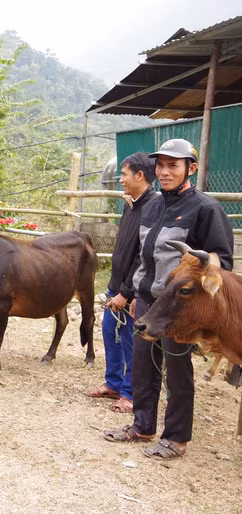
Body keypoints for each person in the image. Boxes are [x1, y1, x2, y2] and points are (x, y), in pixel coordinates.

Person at [103, 139, 233, 462]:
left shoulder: (206, 209)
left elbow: (221, 262)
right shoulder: (154, 205)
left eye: (173, 165)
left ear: (191, 168)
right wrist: (134, 293)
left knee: (177, 371)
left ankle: (175, 438)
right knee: (143, 363)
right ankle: (143, 425)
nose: (164, 171)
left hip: (180, 308)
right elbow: (144, 256)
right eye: (160, 165)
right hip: (148, 300)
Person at [87, 152, 157, 413]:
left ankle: (130, 393)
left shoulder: (153, 208)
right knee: (109, 334)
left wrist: (127, 293)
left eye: (124, 175)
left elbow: (144, 257)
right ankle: (114, 383)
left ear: (140, 176)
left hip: (133, 292)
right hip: (116, 287)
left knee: (130, 341)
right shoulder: (133, 205)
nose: (120, 180)